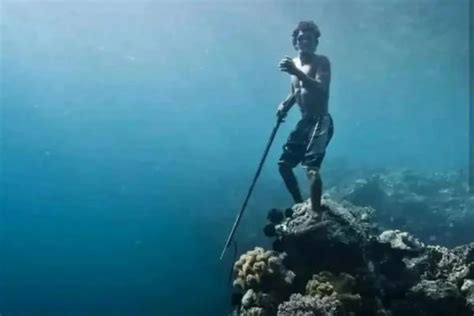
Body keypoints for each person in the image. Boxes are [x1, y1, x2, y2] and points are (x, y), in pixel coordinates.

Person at [276, 21, 334, 215]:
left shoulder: (321, 61)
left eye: (310, 39)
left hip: (320, 120)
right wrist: (284, 105)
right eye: (301, 38)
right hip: (304, 121)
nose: (305, 42)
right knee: (284, 165)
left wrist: (296, 72)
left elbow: (321, 88)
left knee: (311, 168)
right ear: (295, 43)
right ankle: (300, 204)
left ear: (316, 43)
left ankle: (316, 215)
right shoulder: (295, 65)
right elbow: (296, 92)